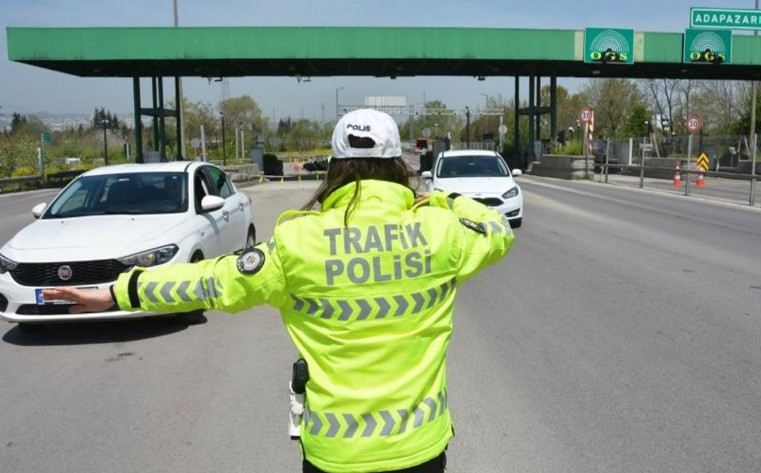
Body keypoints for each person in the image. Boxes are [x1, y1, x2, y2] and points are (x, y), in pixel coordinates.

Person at [44, 109, 515, 473]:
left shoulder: (298, 242)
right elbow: (497, 228)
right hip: (419, 449)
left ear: (334, 167)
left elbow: (213, 281)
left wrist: (125, 289)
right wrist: (444, 197)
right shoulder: (440, 231)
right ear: (397, 164)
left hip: (336, 455)